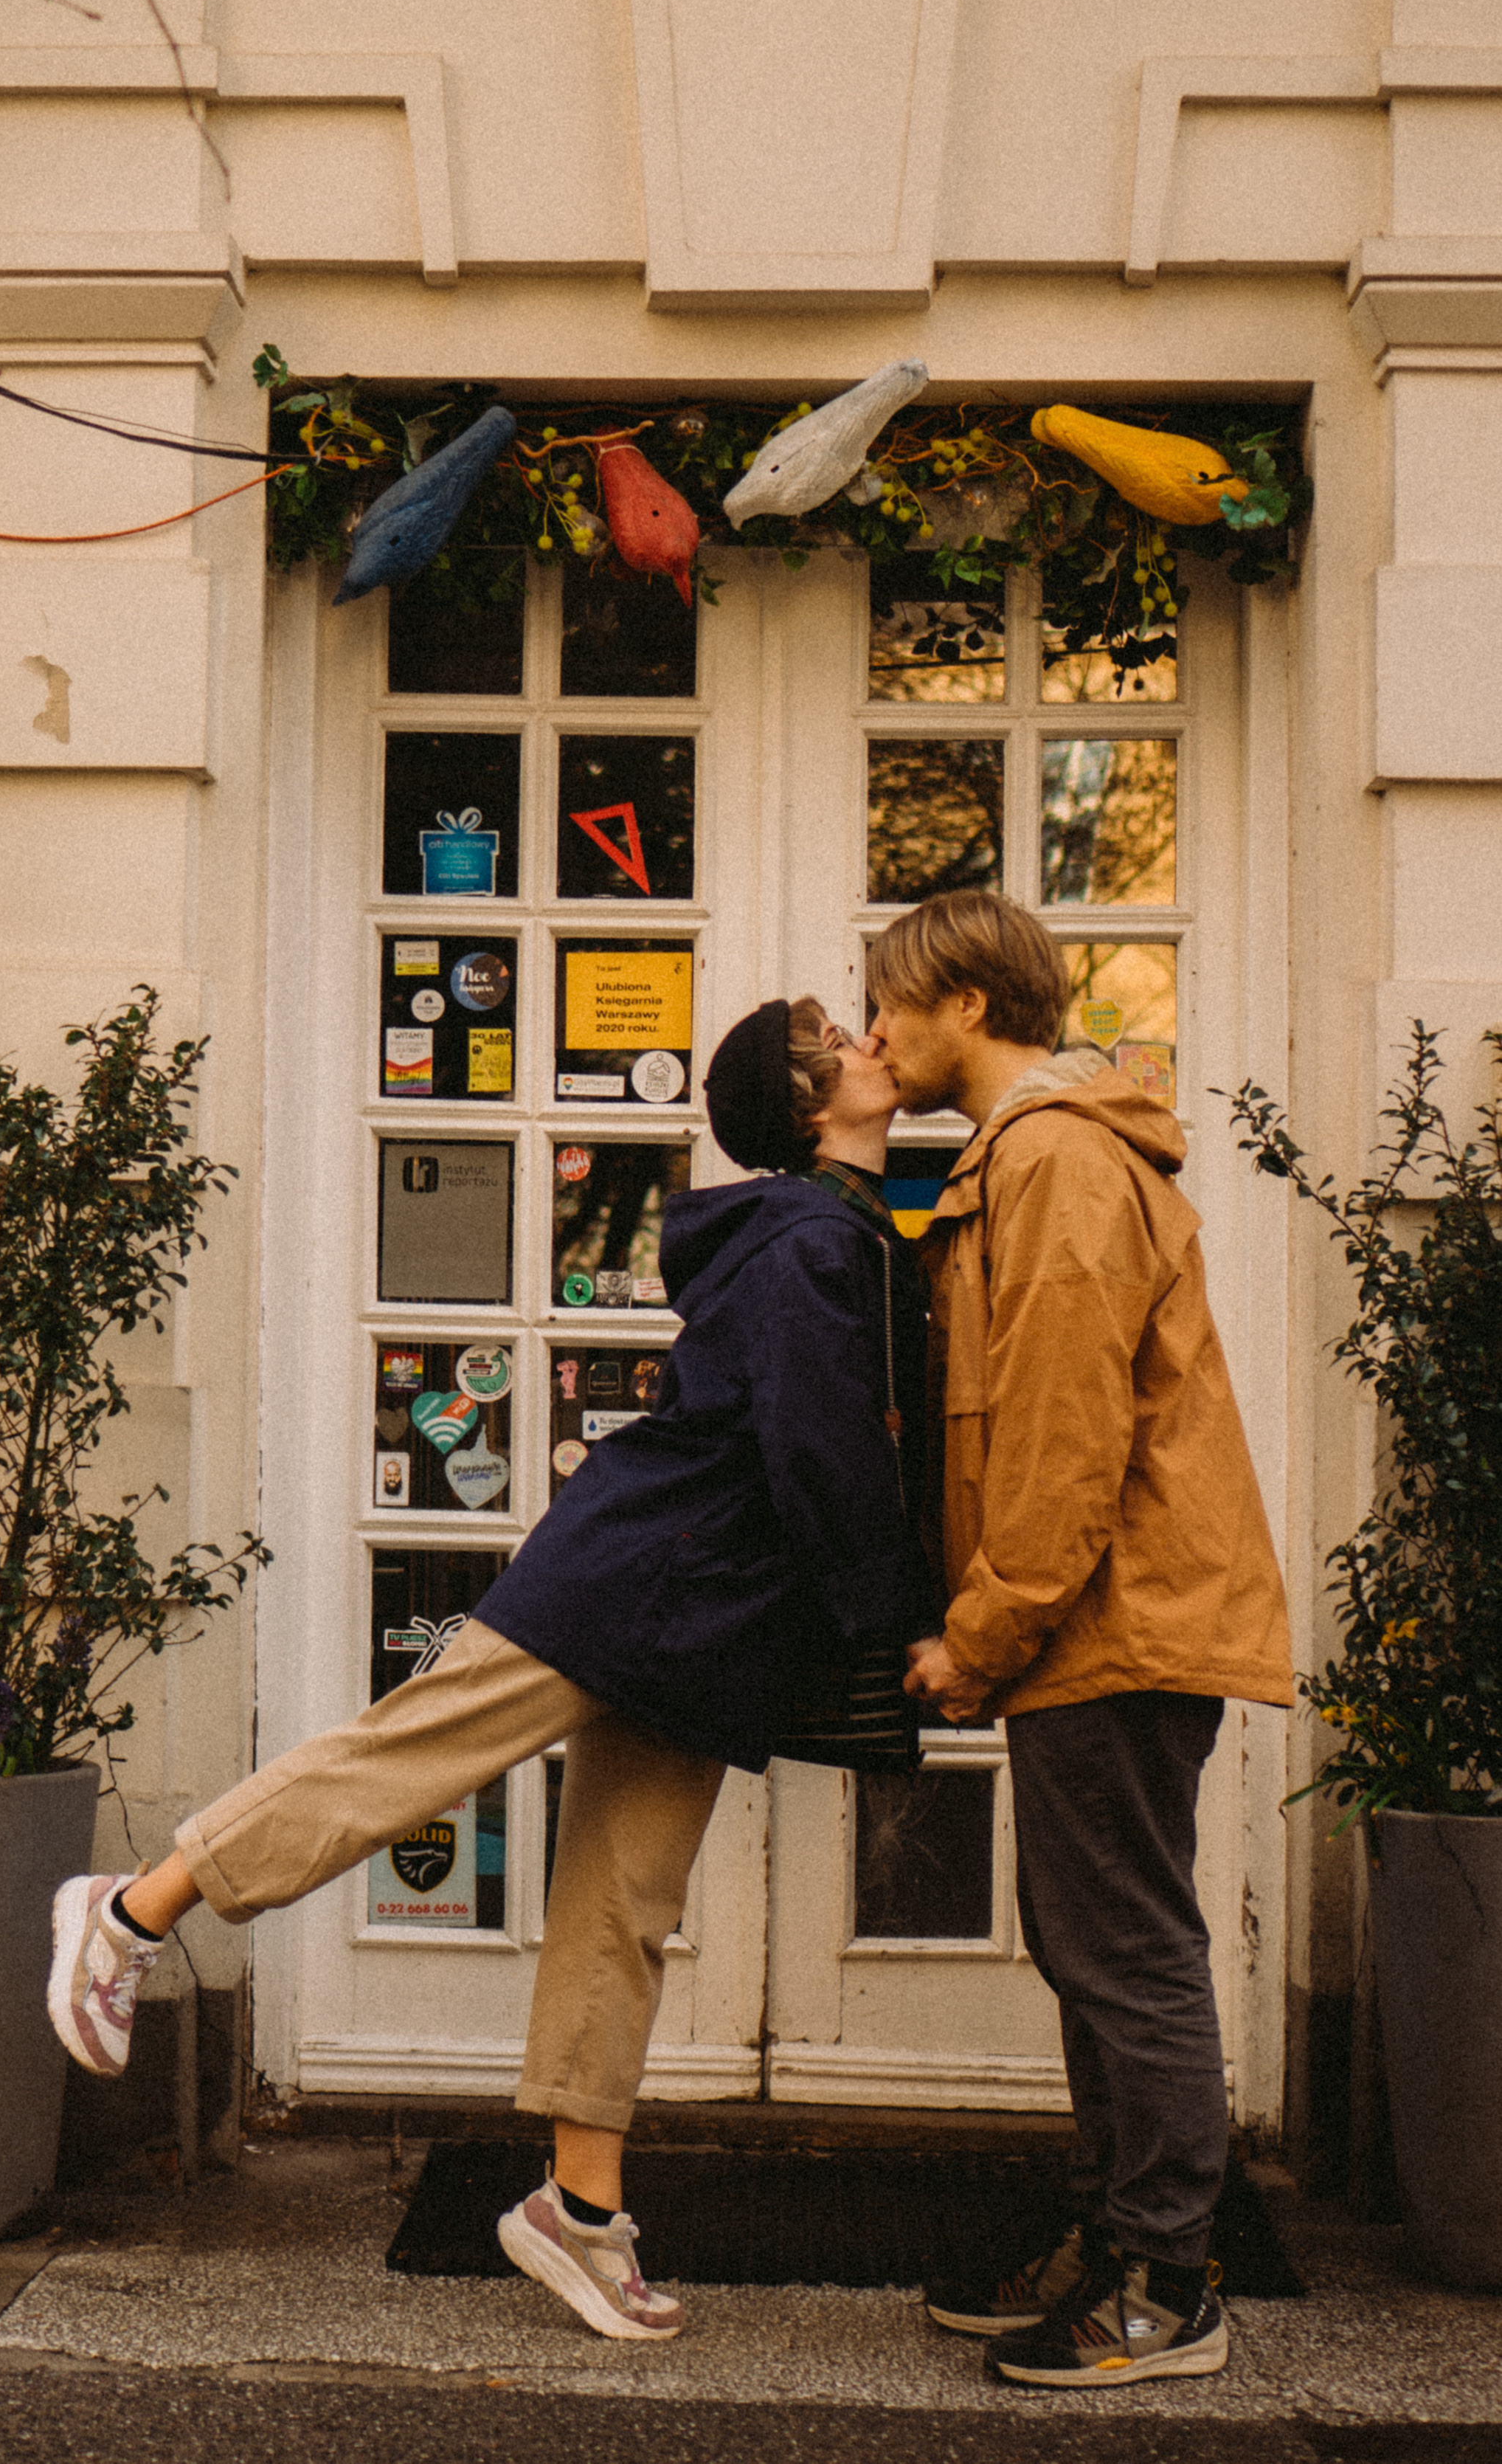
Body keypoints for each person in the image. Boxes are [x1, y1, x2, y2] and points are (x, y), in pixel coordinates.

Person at [48, 996, 935, 2343]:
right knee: (408, 1758)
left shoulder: (833, 1230)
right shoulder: (814, 1238)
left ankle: (578, 2212)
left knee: (619, 1903)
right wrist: (898, 1612)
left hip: (693, 1608)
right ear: (816, 1104)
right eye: (848, 1039)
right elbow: (825, 1456)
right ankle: (129, 1909)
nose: (878, 1041)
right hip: (634, 1579)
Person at [867, 889, 1293, 2390]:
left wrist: (981, 1627)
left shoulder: (1051, 1158)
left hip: (1113, 1617)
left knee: (1124, 1947)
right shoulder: (1035, 1154)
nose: (875, 1032)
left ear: (970, 1002)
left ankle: (1167, 2278)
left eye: (893, 1003)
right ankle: (1121, 2237)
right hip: (1100, 1622)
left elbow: (1061, 1429)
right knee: (1094, 1940)